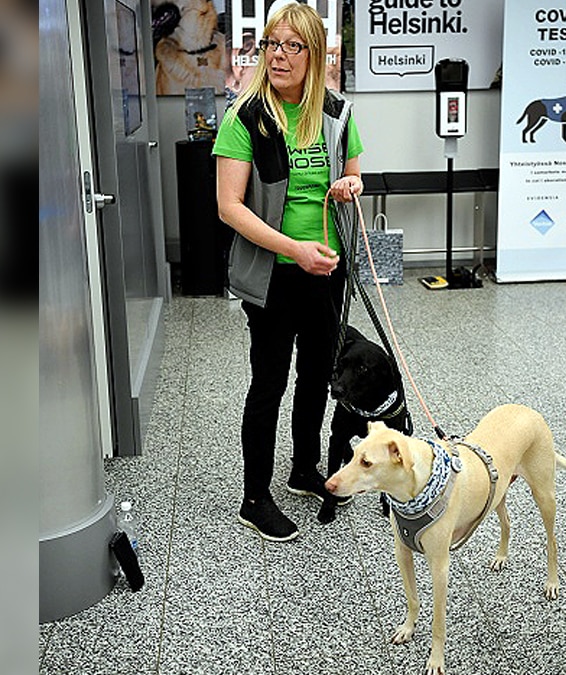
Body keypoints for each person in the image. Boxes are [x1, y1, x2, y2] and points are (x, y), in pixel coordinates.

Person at [213, 2, 363, 542]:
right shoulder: (246, 117)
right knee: (270, 380)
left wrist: (350, 187)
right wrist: (293, 249)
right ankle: (255, 498)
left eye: (291, 46)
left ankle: (303, 469)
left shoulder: (337, 113)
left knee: (318, 373)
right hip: (272, 274)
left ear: (315, 55)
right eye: (272, 44)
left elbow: (353, 171)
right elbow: (229, 206)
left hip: (325, 269)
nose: (277, 55)